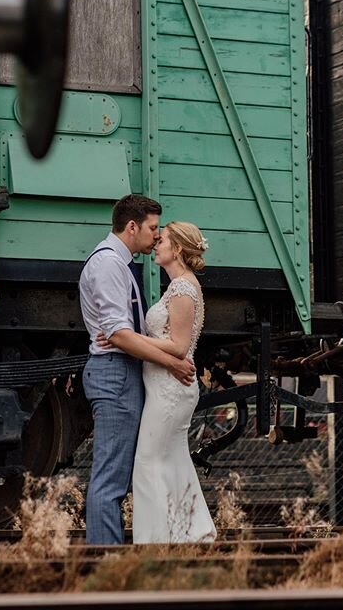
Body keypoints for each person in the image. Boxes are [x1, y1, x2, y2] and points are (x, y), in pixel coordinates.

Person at [79, 195, 196, 546]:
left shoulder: (118, 263)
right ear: (132, 227)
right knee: (111, 478)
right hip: (114, 373)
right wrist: (172, 360)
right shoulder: (109, 266)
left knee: (119, 475)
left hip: (120, 371)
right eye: (152, 228)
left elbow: (123, 334)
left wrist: (127, 338)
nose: (155, 236)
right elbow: (118, 335)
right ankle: (106, 562)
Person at [97, 221, 216, 543]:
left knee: (148, 461)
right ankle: (191, 533)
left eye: (162, 240)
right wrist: (125, 339)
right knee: (173, 459)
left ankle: (156, 540)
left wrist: (125, 337)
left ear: (177, 249)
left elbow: (178, 346)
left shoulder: (182, 289)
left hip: (170, 388)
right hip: (167, 387)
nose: (156, 244)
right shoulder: (180, 285)